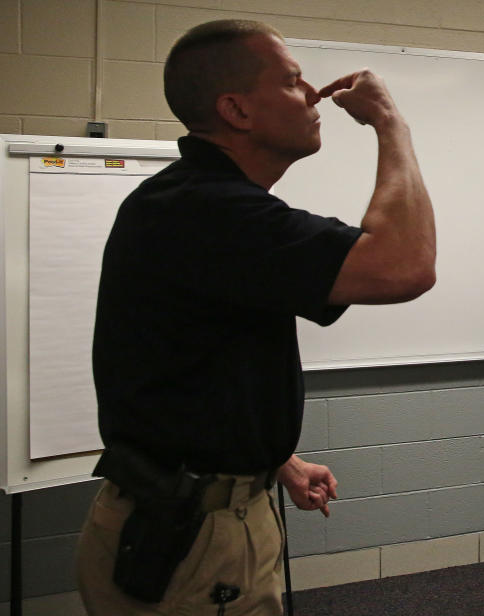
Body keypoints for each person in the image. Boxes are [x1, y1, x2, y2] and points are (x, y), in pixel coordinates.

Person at [75, 19, 436, 615]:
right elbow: (405, 264)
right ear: (237, 110)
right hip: (193, 538)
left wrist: (277, 462)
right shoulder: (208, 211)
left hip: (194, 515)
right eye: (293, 81)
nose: (313, 93)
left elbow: (193, 369)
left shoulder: (199, 205)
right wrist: (390, 124)